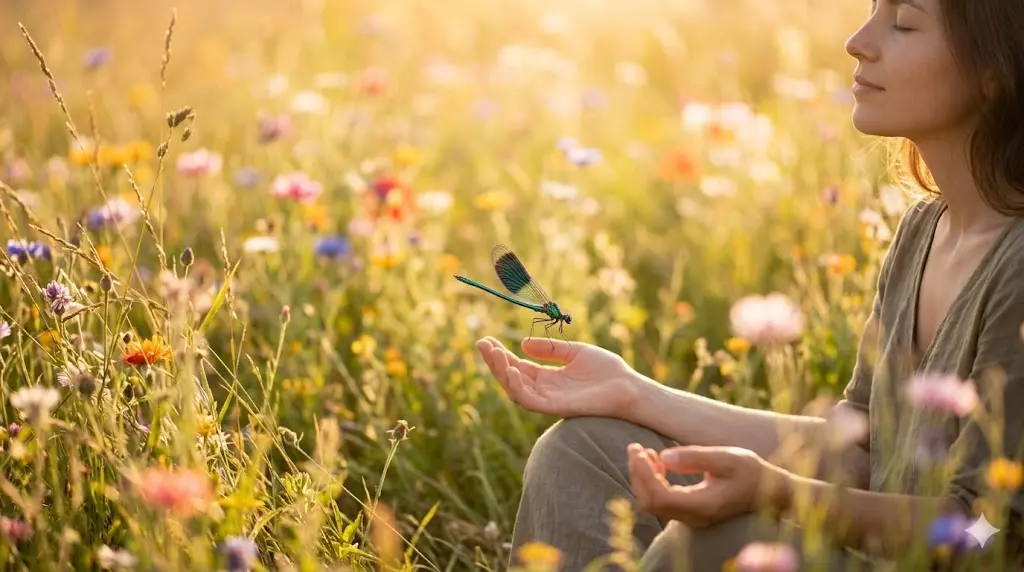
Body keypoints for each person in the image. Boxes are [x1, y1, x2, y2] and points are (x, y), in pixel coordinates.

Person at [476, 0, 1024, 570]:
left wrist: (779, 492)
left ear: (995, 68)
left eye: (904, 23)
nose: (858, 41)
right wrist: (634, 393)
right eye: (871, 10)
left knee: (723, 544)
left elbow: (991, 533)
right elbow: (859, 451)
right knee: (582, 451)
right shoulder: (922, 230)